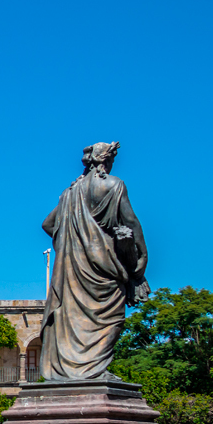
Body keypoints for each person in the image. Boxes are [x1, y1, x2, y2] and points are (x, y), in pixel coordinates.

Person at [40, 142, 148, 381]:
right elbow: (130, 222)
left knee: (75, 320)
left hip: (74, 269)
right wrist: (142, 257)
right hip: (106, 267)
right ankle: (94, 370)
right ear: (104, 161)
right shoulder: (113, 185)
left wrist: (73, 240)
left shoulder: (69, 193)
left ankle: (78, 372)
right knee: (112, 319)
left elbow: (48, 225)